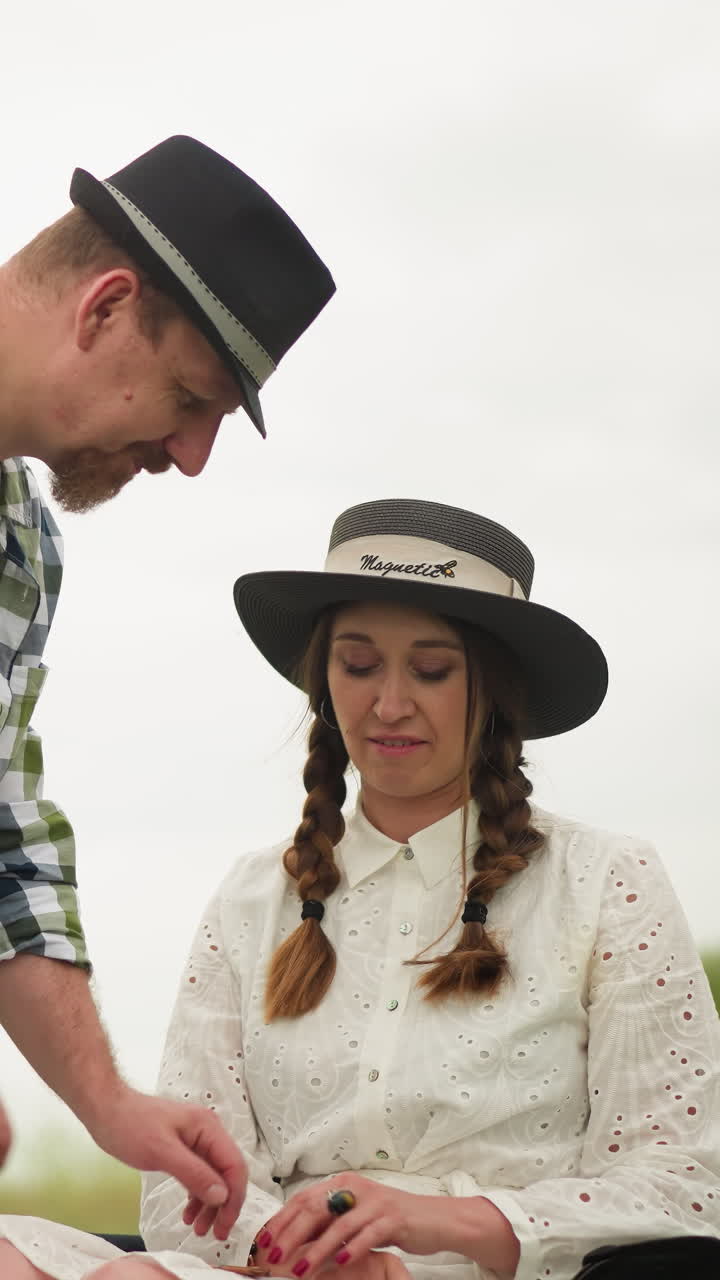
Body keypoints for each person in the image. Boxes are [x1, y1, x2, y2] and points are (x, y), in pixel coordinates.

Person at [1, 498, 718, 1280]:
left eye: (433, 669)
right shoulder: (252, 899)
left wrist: (432, 1227)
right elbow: (186, 1199)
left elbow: (684, 1188)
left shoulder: (607, 881)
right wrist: (320, 1258)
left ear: (498, 686)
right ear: (322, 677)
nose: (388, 705)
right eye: (359, 663)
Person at [0, 132, 335, 1232]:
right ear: (103, 309)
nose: (190, 456)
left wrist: (105, 1101)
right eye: (193, 398)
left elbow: (6, 843)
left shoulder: (24, 551)